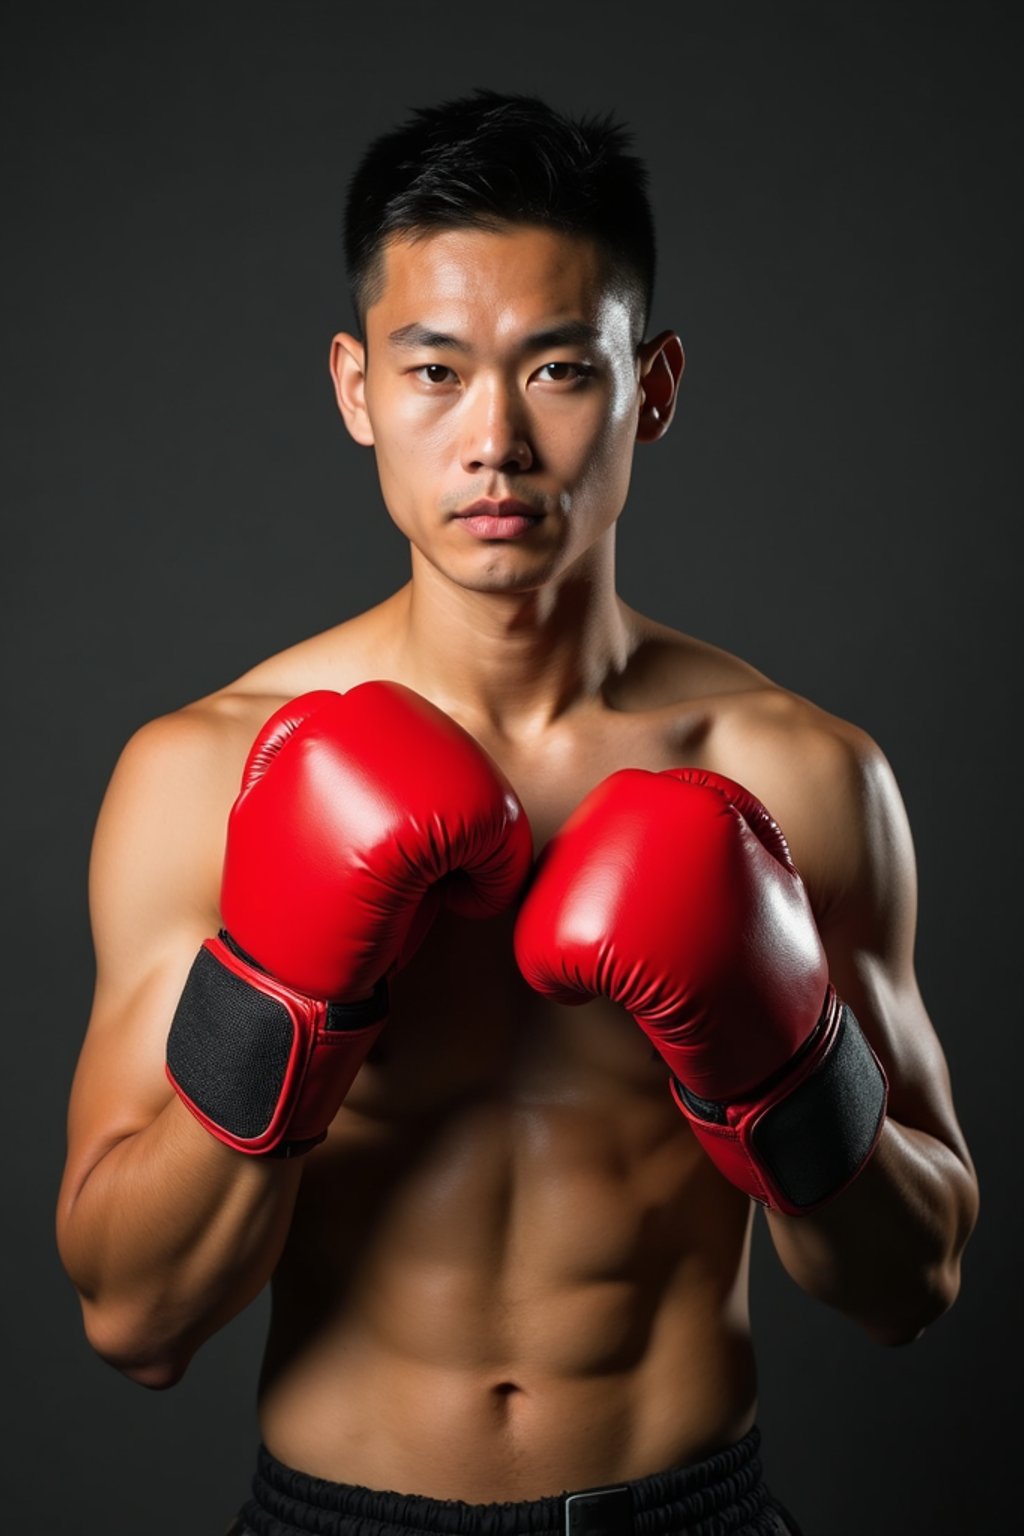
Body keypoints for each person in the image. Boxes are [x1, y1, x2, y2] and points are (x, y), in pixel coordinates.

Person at [56, 91, 979, 1536]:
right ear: (356, 389)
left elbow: (909, 1290)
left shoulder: (801, 776)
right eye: (435, 372)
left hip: (691, 1513)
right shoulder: (199, 776)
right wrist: (281, 1004)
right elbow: (133, 1317)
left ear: (651, 388)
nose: (494, 439)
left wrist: (782, 1064)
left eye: (558, 370)